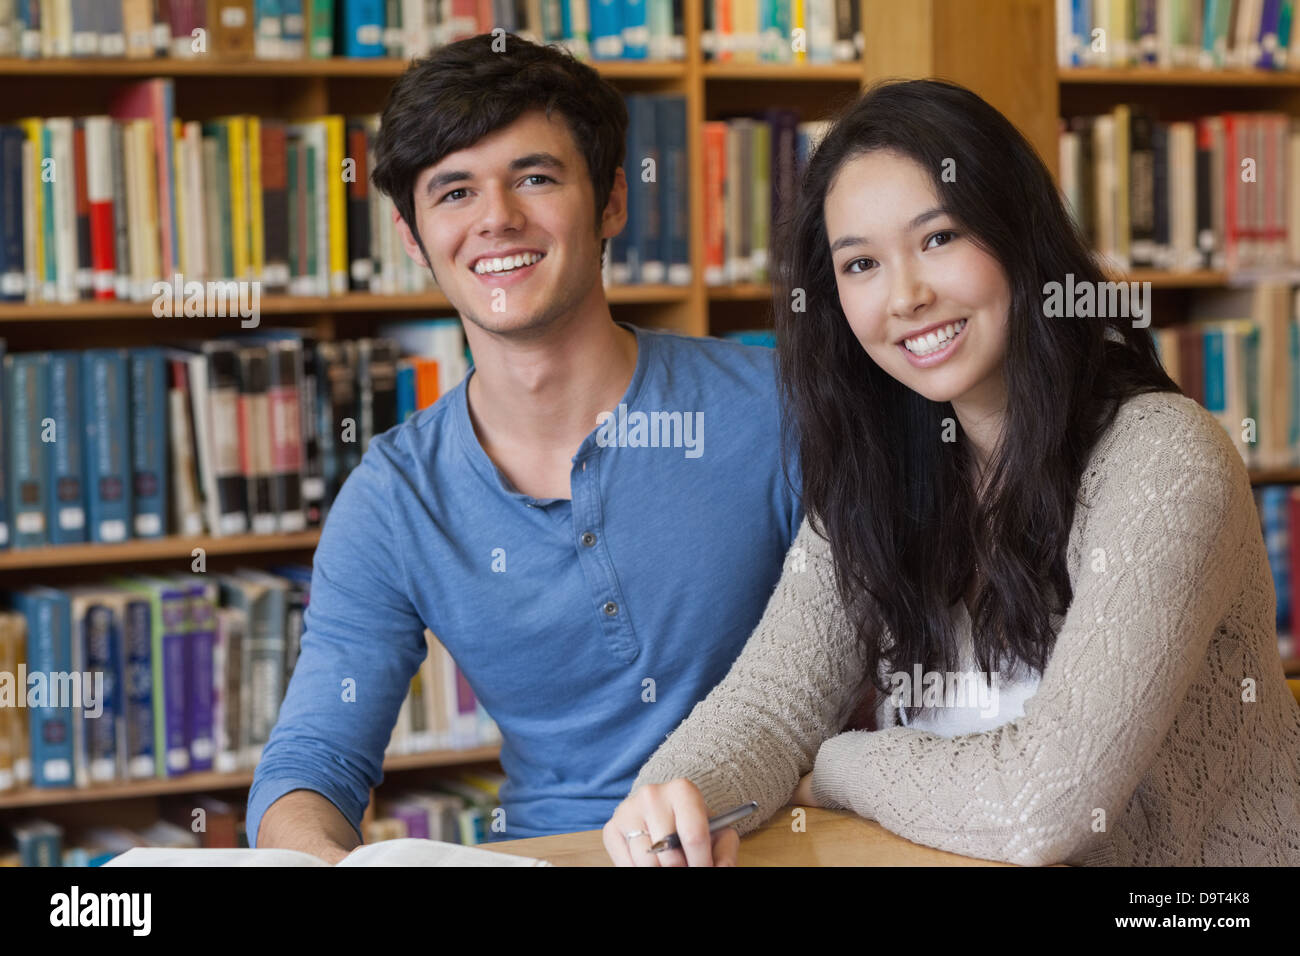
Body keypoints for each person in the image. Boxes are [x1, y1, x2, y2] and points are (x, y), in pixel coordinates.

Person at [605, 78, 1300, 867]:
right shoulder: (883, 471)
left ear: (1018, 235)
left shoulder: (1163, 460)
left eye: (938, 239)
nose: (906, 296)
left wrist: (834, 763)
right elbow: (769, 706)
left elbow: (1046, 806)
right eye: (860, 264)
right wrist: (676, 795)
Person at [246, 33, 802, 859]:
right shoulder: (395, 497)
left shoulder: (779, 412)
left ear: (612, 201)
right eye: (455, 191)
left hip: (774, 842)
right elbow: (315, 757)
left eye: (535, 178)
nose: (496, 218)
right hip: (550, 854)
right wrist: (312, 856)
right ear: (411, 236)